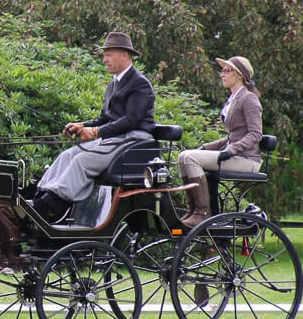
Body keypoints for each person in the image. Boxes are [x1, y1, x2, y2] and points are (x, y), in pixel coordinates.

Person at [32, 31, 156, 223]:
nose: (104, 59)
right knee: (68, 155)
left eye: (108, 54)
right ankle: (42, 196)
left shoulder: (139, 84)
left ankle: (53, 207)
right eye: (104, 55)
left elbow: (131, 120)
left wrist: (97, 132)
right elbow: (105, 118)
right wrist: (82, 125)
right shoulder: (113, 84)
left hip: (133, 140)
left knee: (82, 161)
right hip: (115, 138)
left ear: (124, 55)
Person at [177, 56, 263, 227]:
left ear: (239, 75)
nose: (222, 74)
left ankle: (202, 213)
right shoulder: (233, 99)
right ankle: (193, 209)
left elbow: (255, 134)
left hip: (247, 160)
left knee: (190, 158)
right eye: (222, 71)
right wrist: (207, 147)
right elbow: (233, 135)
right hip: (234, 155)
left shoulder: (249, 99)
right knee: (182, 156)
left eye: (226, 70)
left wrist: (232, 150)